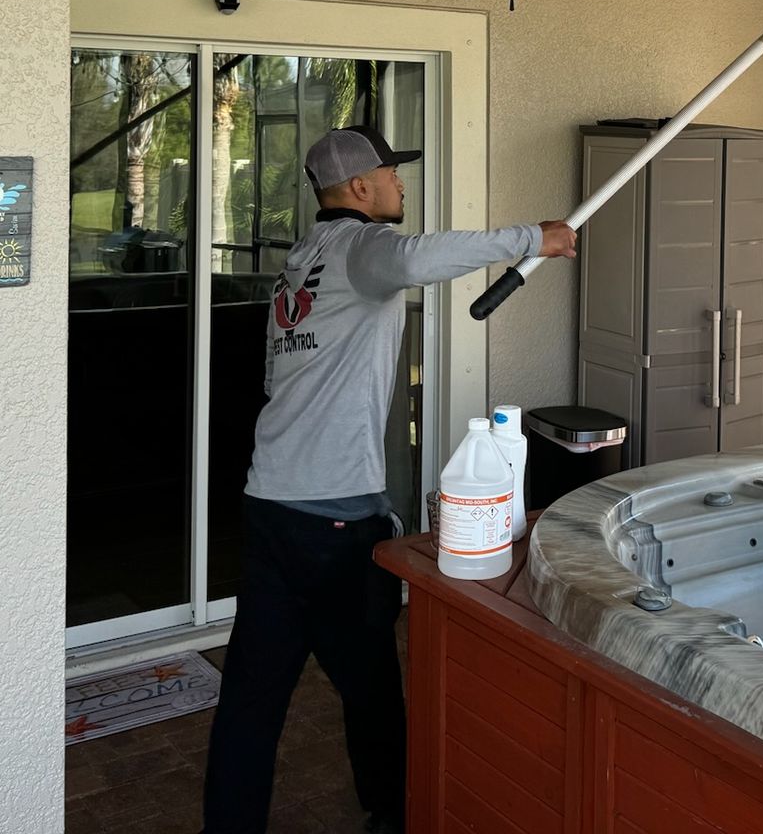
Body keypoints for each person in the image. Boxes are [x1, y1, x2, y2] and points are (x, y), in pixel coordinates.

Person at [201, 123, 576, 834]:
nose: (401, 183)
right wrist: (535, 237)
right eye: (390, 174)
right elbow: (421, 256)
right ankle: (397, 814)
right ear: (360, 187)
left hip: (270, 501)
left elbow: (282, 377)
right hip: (332, 515)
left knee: (252, 695)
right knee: (372, 684)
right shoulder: (362, 247)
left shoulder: (300, 263)